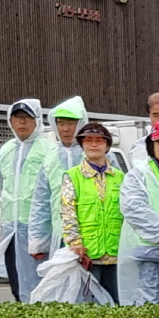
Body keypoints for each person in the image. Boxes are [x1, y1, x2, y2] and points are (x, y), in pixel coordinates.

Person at [0, 98, 53, 302]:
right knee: (16, 276)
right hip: (11, 228)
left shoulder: (48, 150)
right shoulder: (6, 150)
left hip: (38, 228)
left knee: (40, 278)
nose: (22, 123)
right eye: (17, 118)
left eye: (27, 118)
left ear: (37, 121)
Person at [118, 120, 159, 305]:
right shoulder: (139, 174)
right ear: (151, 145)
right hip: (148, 251)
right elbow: (133, 209)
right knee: (150, 304)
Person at [59, 120, 122, 302]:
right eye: (88, 140)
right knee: (88, 304)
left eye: (99, 140)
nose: (94, 144)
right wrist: (75, 242)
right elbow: (68, 211)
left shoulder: (121, 177)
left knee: (117, 304)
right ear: (82, 145)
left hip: (116, 252)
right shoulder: (72, 176)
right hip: (86, 253)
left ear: (107, 145)